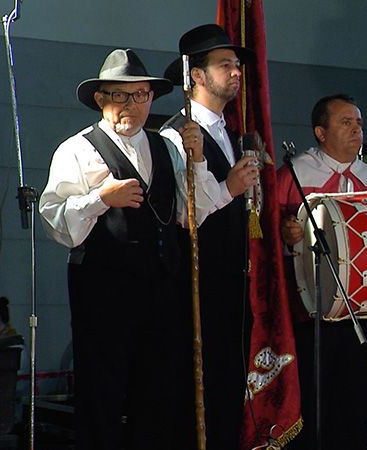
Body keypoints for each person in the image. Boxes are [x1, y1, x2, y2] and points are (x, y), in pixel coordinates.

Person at [38, 48, 218, 450]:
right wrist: (102, 198)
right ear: (101, 99)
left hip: (161, 287)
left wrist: (200, 159)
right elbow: (54, 218)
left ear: (151, 99)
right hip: (103, 289)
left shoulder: (167, 148)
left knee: (157, 391)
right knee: (101, 392)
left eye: (139, 95)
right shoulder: (77, 149)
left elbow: (196, 212)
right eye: (120, 96)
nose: (130, 105)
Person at [160, 24, 260, 450]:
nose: (235, 72)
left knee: (226, 393)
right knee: (193, 394)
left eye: (236, 65)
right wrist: (230, 189)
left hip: (231, 288)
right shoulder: (175, 134)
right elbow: (185, 215)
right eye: (224, 65)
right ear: (196, 75)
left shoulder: (234, 136)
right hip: (193, 289)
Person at [275, 94, 367, 449]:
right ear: (320, 132)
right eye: (346, 122)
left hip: (359, 312)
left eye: (359, 123)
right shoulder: (293, 174)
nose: (357, 130)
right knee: (313, 403)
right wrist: (285, 231)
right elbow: (267, 233)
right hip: (309, 315)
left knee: (353, 405)